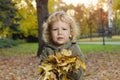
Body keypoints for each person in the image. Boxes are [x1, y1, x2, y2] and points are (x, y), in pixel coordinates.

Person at [39, 11, 85, 80]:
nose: (60, 32)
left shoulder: (74, 48)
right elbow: (43, 70)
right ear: (49, 34)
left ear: (71, 32)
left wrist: (65, 67)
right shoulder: (47, 50)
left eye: (64, 29)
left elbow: (79, 75)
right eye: (55, 29)